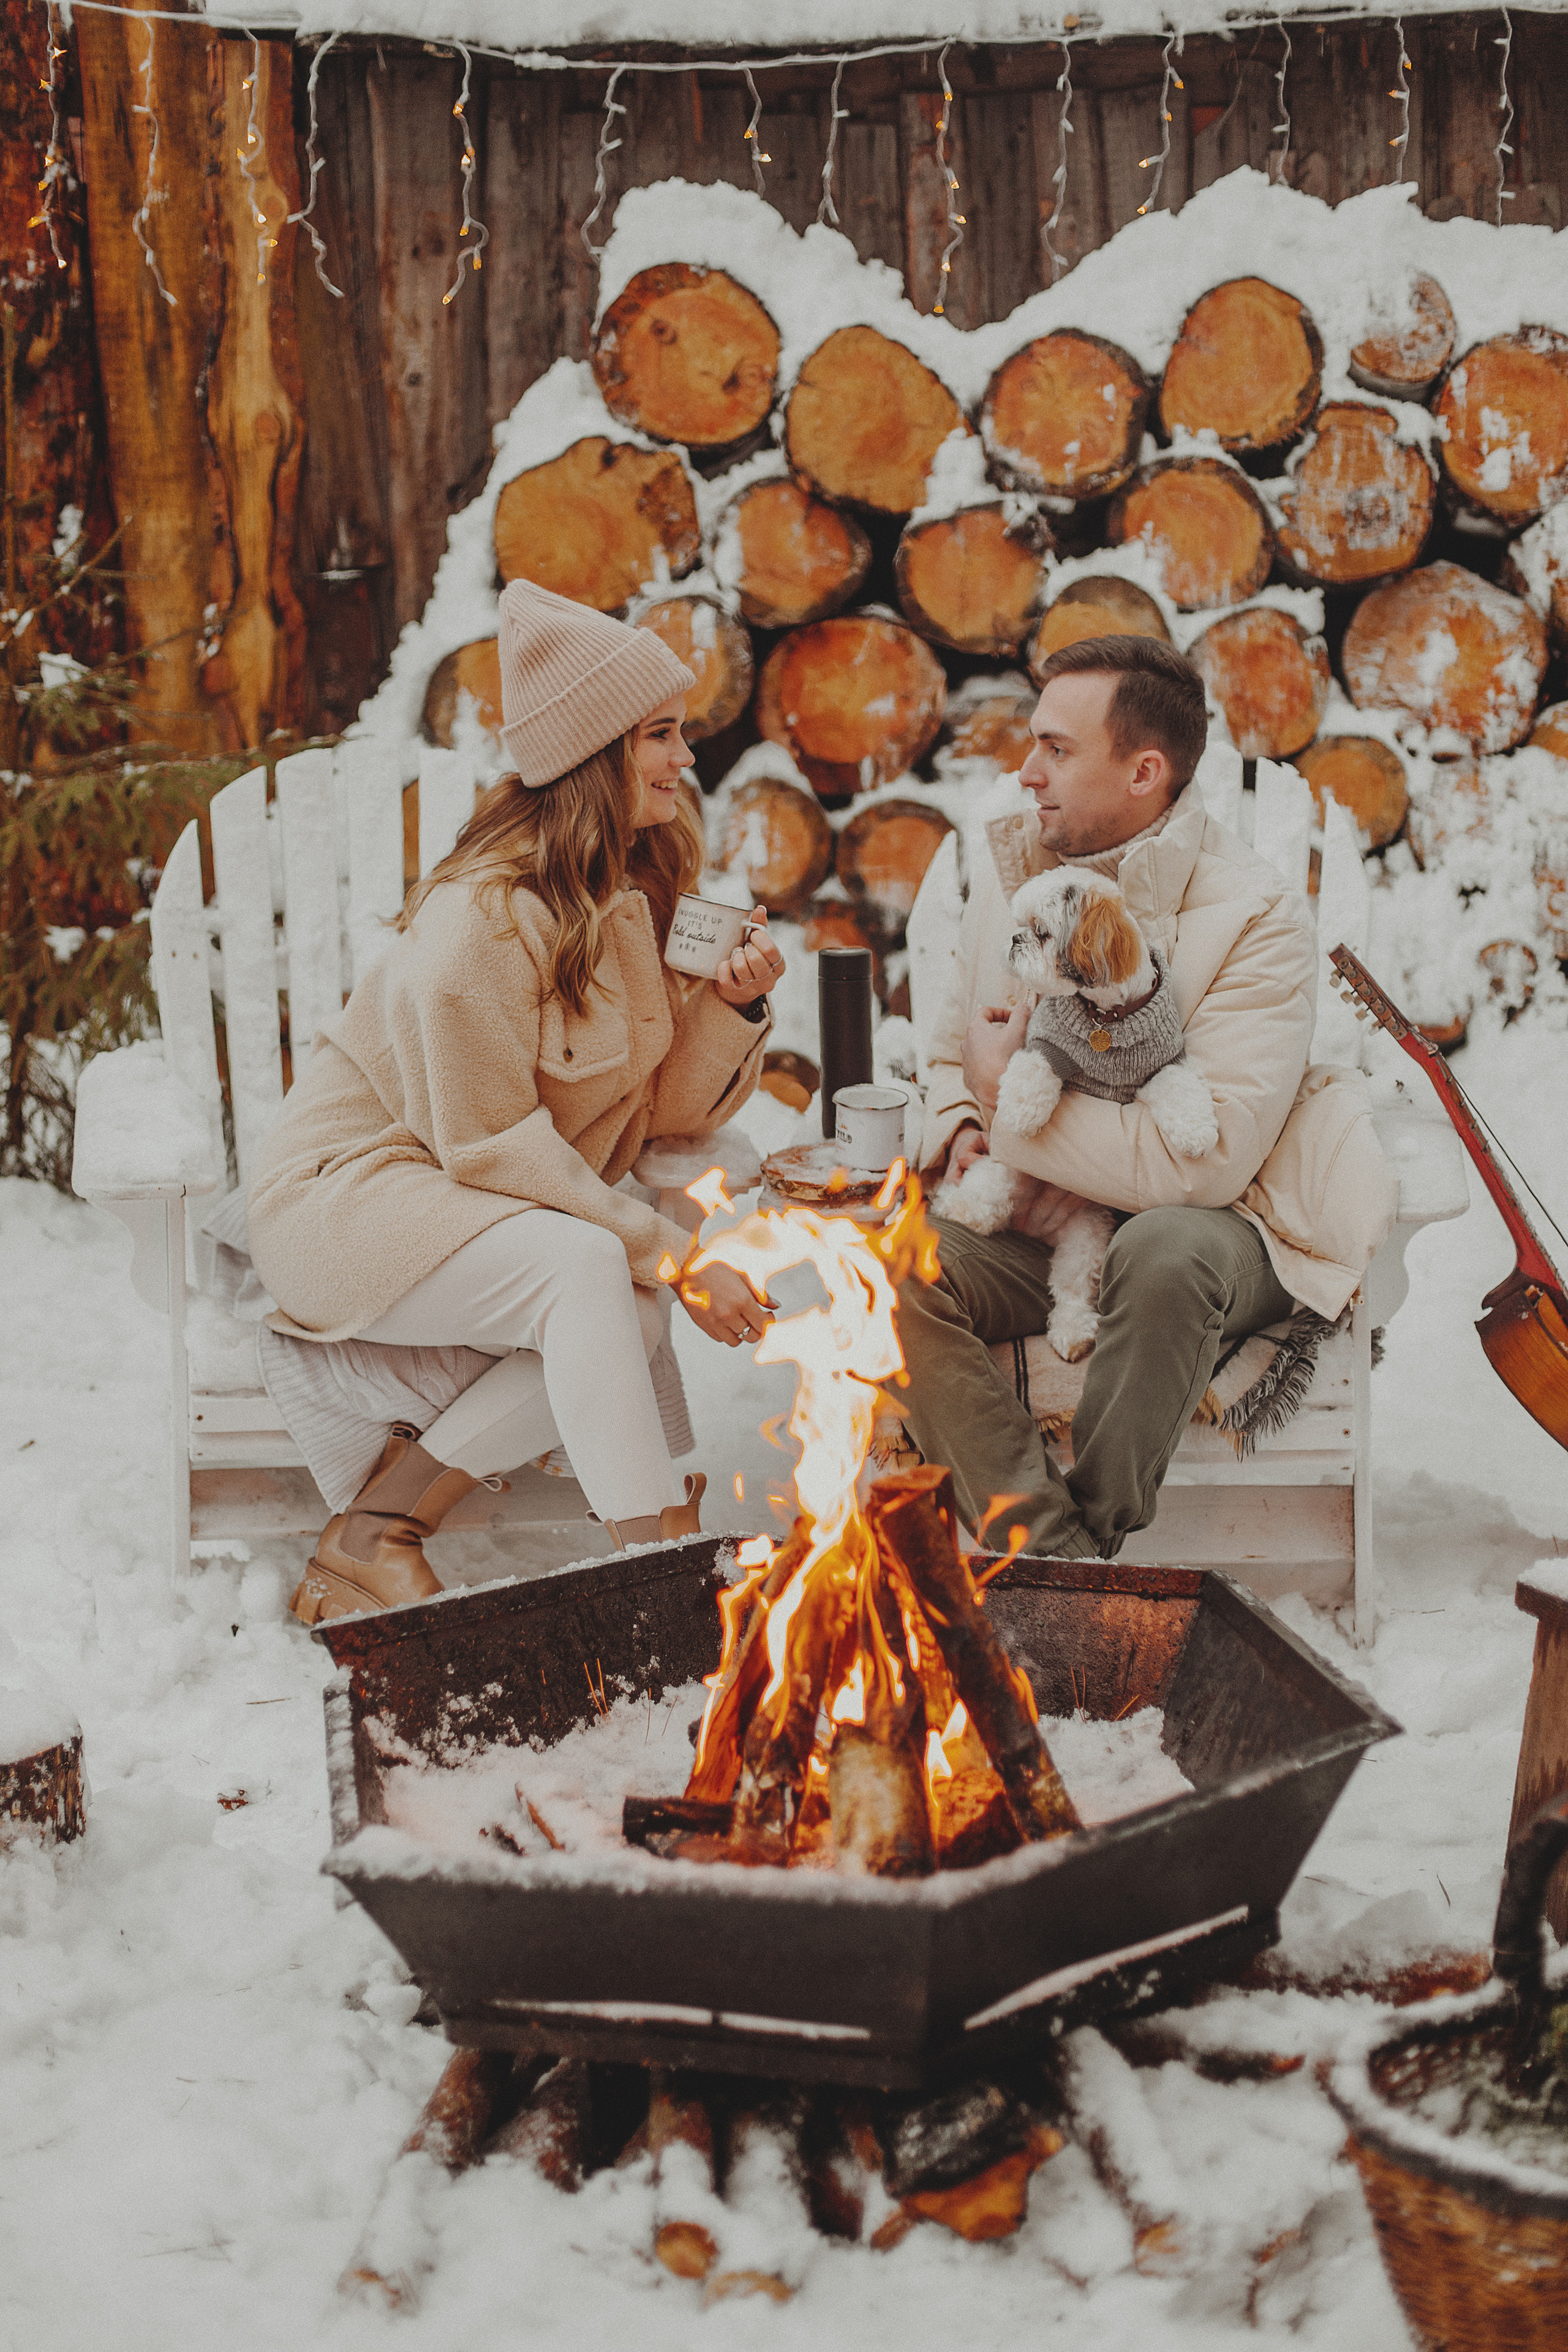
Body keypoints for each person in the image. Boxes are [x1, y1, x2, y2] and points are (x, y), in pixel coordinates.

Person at [247, 579, 782, 1624]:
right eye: (661, 736)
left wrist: (730, 1007)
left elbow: (656, 1115)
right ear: (595, 754)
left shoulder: (625, 883)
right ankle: (668, 1584)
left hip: (456, 1187)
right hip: (347, 1199)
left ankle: (374, 1535)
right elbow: (491, 1144)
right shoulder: (481, 922)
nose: (686, 759)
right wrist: (678, 1255)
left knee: (625, 1301)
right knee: (597, 1265)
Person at [901, 634, 1399, 1559]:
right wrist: (965, 1122)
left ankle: (1081, 1547)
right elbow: (948, 1056)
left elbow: (1201, 1164)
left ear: (1144, 772)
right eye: (1032, 744)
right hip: (1046, 1211)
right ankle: (1057, 1556)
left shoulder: (1255, 915)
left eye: (1056, 749)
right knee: (895, 1268)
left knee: (1163, 1250)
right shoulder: (1013, 873)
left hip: (1224, 1226)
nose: (1025, 772)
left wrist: (1003, 1106)